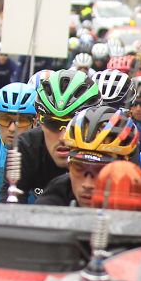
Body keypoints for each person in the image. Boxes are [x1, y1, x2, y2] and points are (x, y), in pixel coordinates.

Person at [37, 106, 141, 211]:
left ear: (125, 166)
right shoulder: (58, 190)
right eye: (78, 168)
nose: (87, 184)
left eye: (101, 171)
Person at [16, 69, 102, 201]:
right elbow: (10, 203)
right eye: (53, 124)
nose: (63, 137)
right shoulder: (27, 145)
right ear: (39, 120)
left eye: (73, 125)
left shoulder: (112, 148)